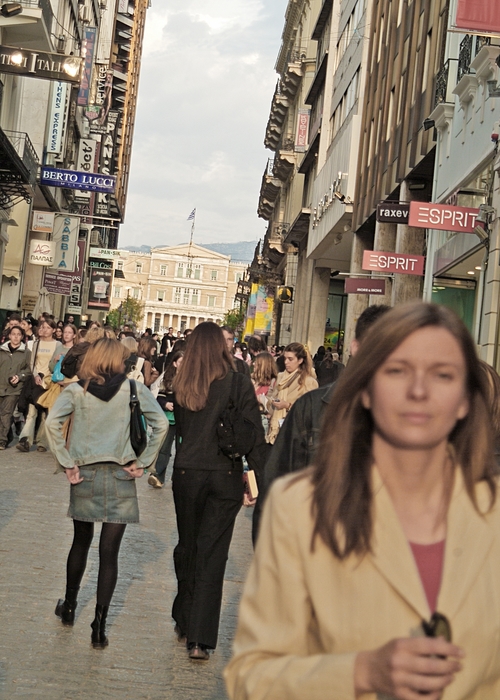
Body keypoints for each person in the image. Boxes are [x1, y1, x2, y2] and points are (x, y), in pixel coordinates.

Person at [225, 302, 500, 699]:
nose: (418, 391)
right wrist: (359, 672)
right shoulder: (300, 508)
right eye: (398, 372)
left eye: (442, 375)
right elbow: (252, 678)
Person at [45, 338, 168, 649]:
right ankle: (99, 626)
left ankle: (70, 607)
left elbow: (51, 424)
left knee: (80, 541)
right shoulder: (132, 389)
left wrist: (67, 463)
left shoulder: (77, 389)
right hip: (120, 474)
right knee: (110, 553)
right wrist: (143, 463)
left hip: (84, 474)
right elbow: (161, 426)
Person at [171, 322, 265, 661]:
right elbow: (253, 434)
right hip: (224, 474)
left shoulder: (183, 383)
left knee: (189, 546)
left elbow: (181, 430)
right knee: (212, 555)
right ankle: (200, 638)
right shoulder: (238, 383)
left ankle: (184, 615)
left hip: (187, 473)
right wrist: (258, 477)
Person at [16, 319, 63, 453]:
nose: (45, 329)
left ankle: (42, 441)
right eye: (43, 327)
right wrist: (35, 375)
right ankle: (25, 440)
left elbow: (58, 364)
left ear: (54, 330)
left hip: (51, 382)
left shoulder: (57, 344)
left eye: (48, 327)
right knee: (32, 412)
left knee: (45, 412)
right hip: (37, 380)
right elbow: (32, 363)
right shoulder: (36, 343)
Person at [265, 342, 318, 445]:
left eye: (290, 359)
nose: (286, 362)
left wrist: (287, 405)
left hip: (295, 435)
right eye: (285, 358)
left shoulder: (309, 382)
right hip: (275, 431)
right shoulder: (281, 377)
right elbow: (272, 399)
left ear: (300, 360)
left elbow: (310, 411)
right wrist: (268, 402)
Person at [148, 348, 184, 488]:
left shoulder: (191, 378)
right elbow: (158, 396)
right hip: (169, 418)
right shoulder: (166, 378)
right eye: (181, 362)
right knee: (164, 448)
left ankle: (180, 478)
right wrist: (166, 404)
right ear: (175, 363)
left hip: (185, 419)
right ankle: (158, 476)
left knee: (182, 449)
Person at [0, 326, 31, 449]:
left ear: (22, 337)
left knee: (6, 413)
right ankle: (8, 435)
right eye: (13, 334)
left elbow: (28, 369)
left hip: (14, 388)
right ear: (9, 336)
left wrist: (19, 376)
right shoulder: (2, 350)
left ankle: (1, 440)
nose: (16, 337)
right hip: (1, 385)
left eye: (19, 334)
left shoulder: (26, 353)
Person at [251, 352, 278, 435]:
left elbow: (274, 404)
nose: (253, 364)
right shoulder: (250, 379)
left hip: (263, 422)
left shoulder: (273, 382)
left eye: (256, 362)